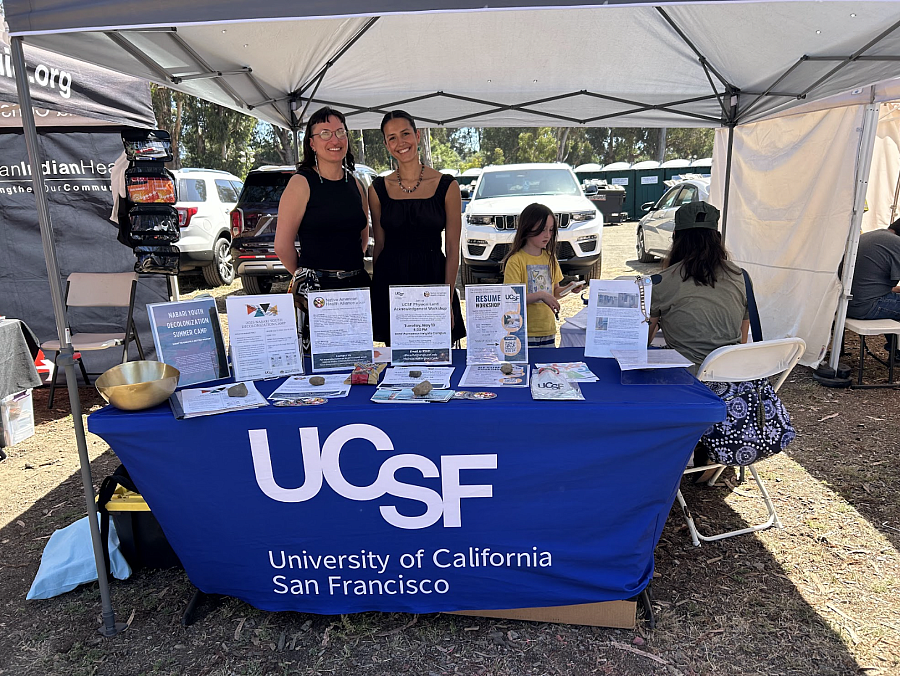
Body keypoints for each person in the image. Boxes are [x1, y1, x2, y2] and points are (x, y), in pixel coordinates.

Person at [273, 107, 370, 344]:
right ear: (312, 143)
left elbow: (363, 238)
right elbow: (282, 246)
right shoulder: (301, 182)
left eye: (340, 132)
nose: (335, 139)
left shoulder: (356, 184)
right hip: (317, 295)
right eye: (325, 133)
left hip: (356, 290)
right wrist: (309, 276)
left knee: (357, 363)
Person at [369, 110, 465, 344]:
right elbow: (379, 245)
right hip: (392, 282)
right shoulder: (377, 189)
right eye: (392, 137)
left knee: (437, 357)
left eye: (405, 134)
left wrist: (446, 298)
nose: (400, 142)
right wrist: (378, 295)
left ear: (418, 136)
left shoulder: (447, 186)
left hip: (433, 280)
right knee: (397, 364)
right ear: (386, 144)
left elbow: (453, 250)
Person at [648, 201, 750, 374]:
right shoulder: (741, 276)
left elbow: (643, 340)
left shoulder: (660, 282)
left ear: (675, 237)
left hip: (684, 377)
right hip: (730, 374)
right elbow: (742, 339)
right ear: (717, 238)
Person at [502, 203, 582, 347]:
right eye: (542, 229)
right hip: (523, 331)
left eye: (551, 230)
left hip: (547, 329)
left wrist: (569, 288)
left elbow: (554, 292)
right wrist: (540, 295)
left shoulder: (550, 257)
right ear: (527, 228)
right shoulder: (516, 261)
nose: (547, 235)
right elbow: (511, 299)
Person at [846, 219, 900, 360]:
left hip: (846, 305)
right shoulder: (896, 243)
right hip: (865, 306)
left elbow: (870, 285)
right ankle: (897, 353)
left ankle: (896, 351)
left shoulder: (870, 236)